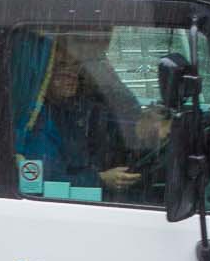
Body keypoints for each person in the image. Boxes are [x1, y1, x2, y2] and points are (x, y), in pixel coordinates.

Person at [11, 33, 155, 200]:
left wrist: (143, 127)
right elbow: (47, 183)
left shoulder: (71, 109)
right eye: (62, 66)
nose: (72, 74)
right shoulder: (35, 121)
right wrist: (100, 179)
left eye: (75, 66)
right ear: (44, 72)